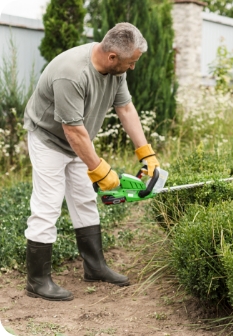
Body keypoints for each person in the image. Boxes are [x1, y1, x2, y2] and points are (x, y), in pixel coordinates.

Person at [23, 22, 159, 301]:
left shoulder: (114, 70)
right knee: (48, 205)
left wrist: (145, 151)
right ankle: (37, 280)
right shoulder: (71, 74)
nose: (132, 67)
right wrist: (98, 169)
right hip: (49, 139)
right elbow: (71, 131)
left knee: (85, 199)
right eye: (131, 62)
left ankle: (95, 267)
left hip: (79, 140)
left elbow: (125, 108)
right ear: (113, 57)